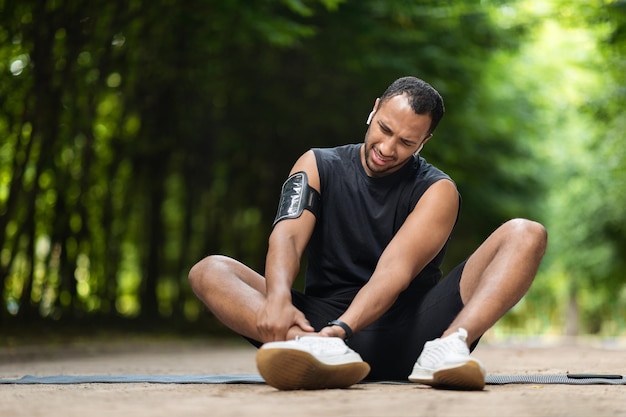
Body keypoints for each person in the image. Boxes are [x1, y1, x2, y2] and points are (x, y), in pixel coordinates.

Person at [188, 76, 548, 391]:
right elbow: (288, 238)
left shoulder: (437, 190)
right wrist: (279, 299)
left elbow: (394, 271)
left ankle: (450, 346)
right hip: (315, 327)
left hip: (410, 333)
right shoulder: (316, 164)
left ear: (425, 141)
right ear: (374, 110)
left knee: (526, 232)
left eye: (407, 142)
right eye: (385, 130)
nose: (388, 149)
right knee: (209, 270)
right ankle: (305, 349)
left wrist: (342, 330)